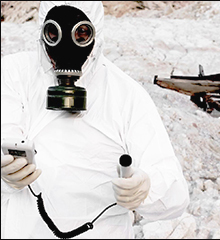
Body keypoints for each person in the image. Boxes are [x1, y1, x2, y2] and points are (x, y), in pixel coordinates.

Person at [1, 1, 190, 239]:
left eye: (81, 33)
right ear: (42, 32)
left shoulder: (125, 94)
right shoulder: (13, 75)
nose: (67, 46)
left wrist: (146, 190)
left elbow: (176, 196)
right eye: (54, 32)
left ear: (95, 33)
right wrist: (5, 175)